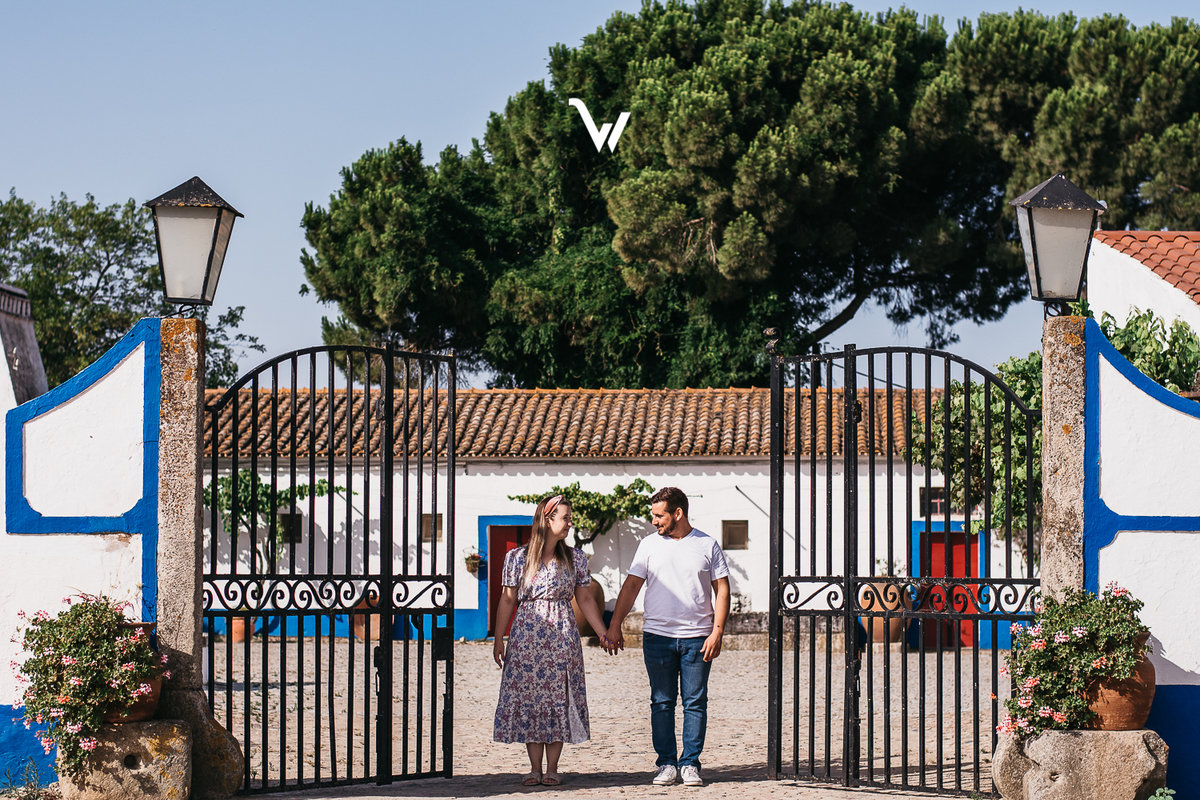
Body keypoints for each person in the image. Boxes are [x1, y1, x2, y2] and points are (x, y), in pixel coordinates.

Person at [605, 487, 730, 788]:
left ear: (678, 513)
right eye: (653, 516)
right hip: (657, 637)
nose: (654, 521)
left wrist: (718, 632)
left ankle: (690, 764)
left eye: (659, 515)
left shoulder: (707, 544)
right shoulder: (648, 545)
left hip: (697, 638)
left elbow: (722, 589)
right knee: (661, 702)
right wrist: (615, 624)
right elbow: (632, 586)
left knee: (695, 702)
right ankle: (666, 764)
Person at [492, 494, 614, 786]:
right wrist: (499, 639)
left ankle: (553, 767)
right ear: (548, 519)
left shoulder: (575, 558)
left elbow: (584, 598)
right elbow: (507, 600)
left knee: (559, 696)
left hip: (562, 635)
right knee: (531, 699)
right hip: (526, 636)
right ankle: (534, 767)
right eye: (565, 518)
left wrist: (602, 633)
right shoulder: (517, 558)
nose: (570, 523)